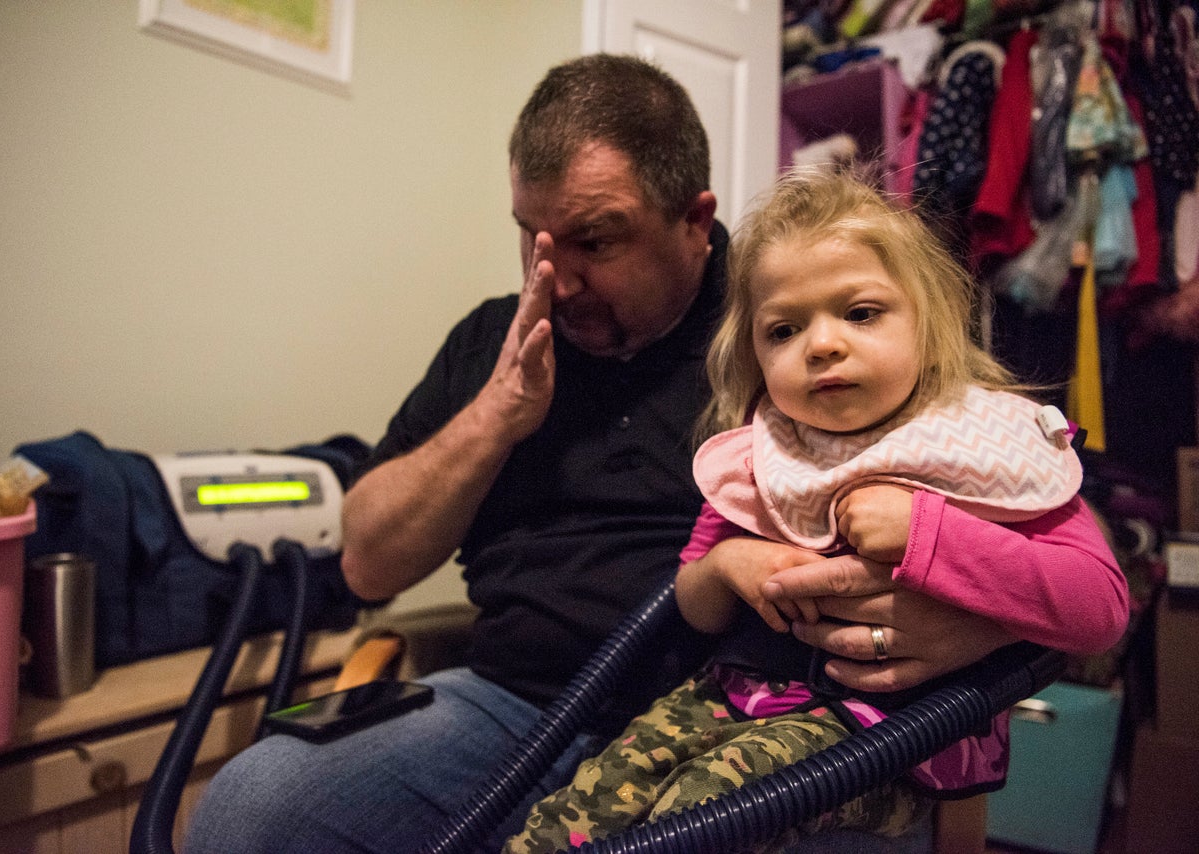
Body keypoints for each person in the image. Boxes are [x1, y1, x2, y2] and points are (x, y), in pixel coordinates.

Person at [184, 56, 1054, 854]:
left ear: (694, 221)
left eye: (595, 240)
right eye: (534, 236)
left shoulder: (783, 323)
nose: (555, 278)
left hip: (750, 719)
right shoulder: (498, 338)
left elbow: (1018, 505)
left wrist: (970, 617)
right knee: (253, 810)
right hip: (510, 711)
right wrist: (497, 414)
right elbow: (369, 564)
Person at [504, 168, 1129, 853]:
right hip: (731, 699)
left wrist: (928, 532)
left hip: (888, 734)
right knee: (560, 823)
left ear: (932, 320)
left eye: (860, 313)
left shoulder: (978, 448)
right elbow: (693, 600)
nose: (822, 344)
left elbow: (1099, 608)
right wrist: (727, 564)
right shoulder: (764, 455)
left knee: (699, 817)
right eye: (784, 329)